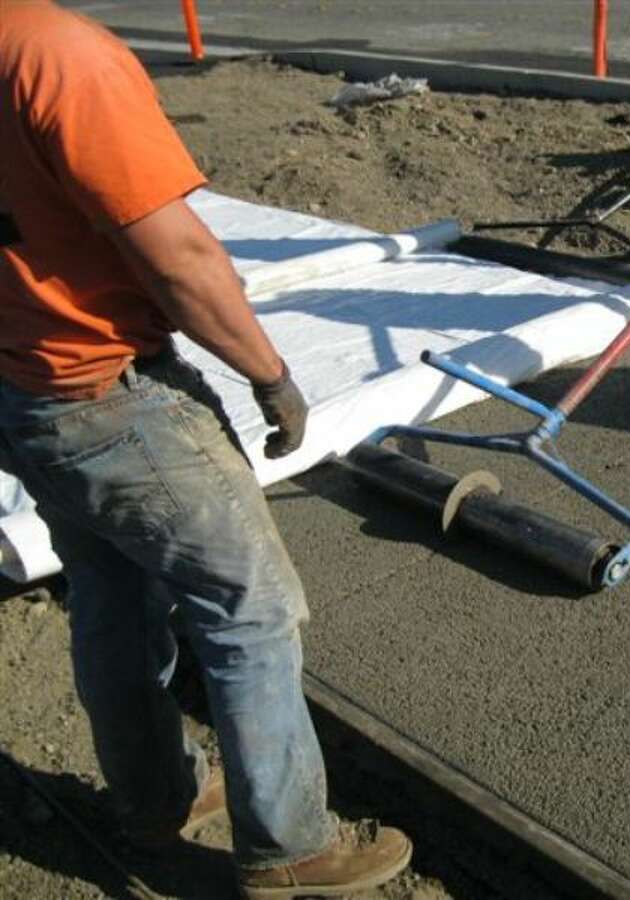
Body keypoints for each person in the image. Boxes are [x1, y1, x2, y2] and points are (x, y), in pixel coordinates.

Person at [0, 4, 411, 897]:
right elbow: (178, 255)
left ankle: (156, 799)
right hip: (105, 389)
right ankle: (294, 848)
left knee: (110, 592)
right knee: (249, 609)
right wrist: (270, 374)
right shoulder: (55, 55)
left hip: (24, 387)